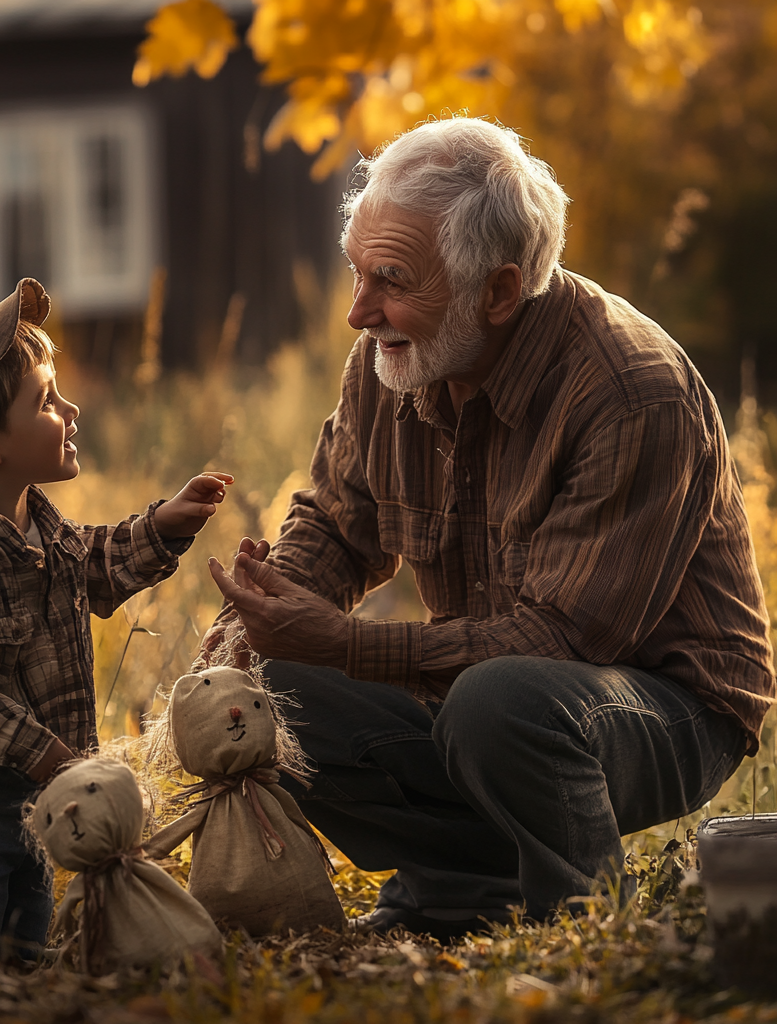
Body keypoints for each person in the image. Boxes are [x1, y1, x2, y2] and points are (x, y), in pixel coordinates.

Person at [204, 118, 776, 940]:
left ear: (500, 292)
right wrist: (259, 615)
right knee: (264, 691)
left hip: (666, 706)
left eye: (391, 281)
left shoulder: (632, 393)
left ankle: (580, 917)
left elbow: (563, 639)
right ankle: (463, 886)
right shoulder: (394, 360)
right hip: (494, 689)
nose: (360, 312)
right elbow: (336, 524)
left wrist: (344, 643)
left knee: (499, 703)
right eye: (357, 276)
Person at [0, 278, 232, 959]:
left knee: (27, 942)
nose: (70, 410)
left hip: (35, 801)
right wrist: (43, 752)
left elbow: (89, 566)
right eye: (45, 401)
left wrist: (162, 526)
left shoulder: (37, 521)